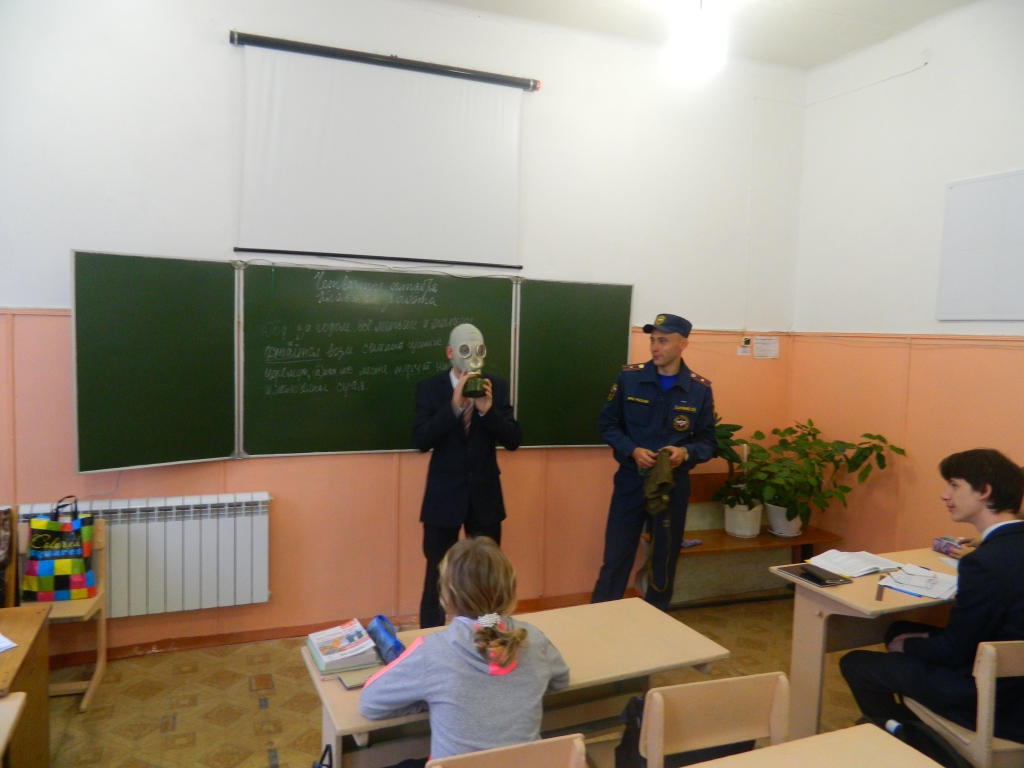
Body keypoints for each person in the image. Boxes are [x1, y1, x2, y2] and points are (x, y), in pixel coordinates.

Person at [840, 448, 1024, 743]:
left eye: (953, 485)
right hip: (1010, 675)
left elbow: (954, 651)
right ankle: (909, 722)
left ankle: (914, 740)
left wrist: (908, 646)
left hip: (994, 697)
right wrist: (912, 640)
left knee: (856, 663)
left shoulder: (983, 562)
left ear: (984, 491)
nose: (944, 495)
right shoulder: (1005, 547)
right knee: (898, 629)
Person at [359, 536, 570, 761]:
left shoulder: (432, 651)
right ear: (510, 590)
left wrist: (427, 699)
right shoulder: (533, 639)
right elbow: (560, 680)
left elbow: (370, 704)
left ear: (446, 598)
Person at [591, 314, 716, 611]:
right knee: (616, 556)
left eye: (663, 340)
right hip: (631, 481)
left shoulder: (698, 390)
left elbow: (708, 443)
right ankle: (599, 617)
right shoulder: (629, 379)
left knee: (664, 559)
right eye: (652, 340)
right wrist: (632, 450)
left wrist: (685, 453)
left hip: (671, 486)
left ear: (682, 344)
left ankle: (657, 618)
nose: (654, 347)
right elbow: (608, 425)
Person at [413, 324, 522, 628]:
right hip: (443, 499)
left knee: (487, 577)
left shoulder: (495, 386)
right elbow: (421, 440)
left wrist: (487, 411)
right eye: (464, 350)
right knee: (437, 576)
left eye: (478, 349)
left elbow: (513, 439)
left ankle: (488, 636)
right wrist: (453, 406)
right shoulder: (430, 388)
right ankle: (433, 638)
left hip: (484, 498)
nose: (472, 356)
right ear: (450, 353)